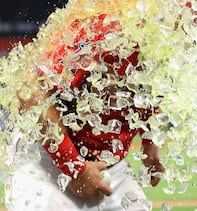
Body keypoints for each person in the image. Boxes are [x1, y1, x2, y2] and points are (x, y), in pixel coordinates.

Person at [5, 13, 165, 211]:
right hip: (48, 163)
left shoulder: (161, 33)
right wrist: (73, 167)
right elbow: (31, 90)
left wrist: (150, 143)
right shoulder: (100, 27)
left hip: (111, 167)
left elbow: (148, 89)